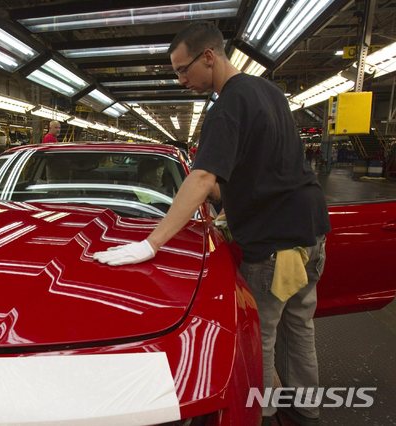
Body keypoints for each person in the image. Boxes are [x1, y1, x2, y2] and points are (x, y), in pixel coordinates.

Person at [93, 21, 330, 426]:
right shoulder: (269, 92)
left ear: (209, 56)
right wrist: (229, 204)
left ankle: (261, 415)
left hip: (274, 246)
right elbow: (262, 168)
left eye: (183, 70)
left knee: (262, 338)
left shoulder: (227, 107)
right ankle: (307, 413)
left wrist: (151, 244)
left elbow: (201, 179)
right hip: (311, 233)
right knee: (300, 329)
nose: (181, 80)